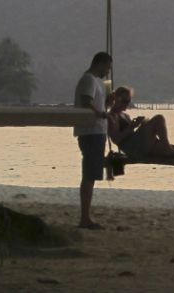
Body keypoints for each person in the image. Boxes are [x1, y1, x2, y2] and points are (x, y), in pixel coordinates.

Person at [74, 51, 112, 230]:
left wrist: (108, 102)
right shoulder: (88, 79)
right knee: (89, 174)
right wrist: (101, 114)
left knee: (92, 174)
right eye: (108, 67)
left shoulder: (98, 82)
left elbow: (97, 102)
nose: (108, 72)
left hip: (97, 132)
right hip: (90, 132)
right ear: (101, 63)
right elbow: (86, 102)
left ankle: (86, 216)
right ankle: (84, 218)